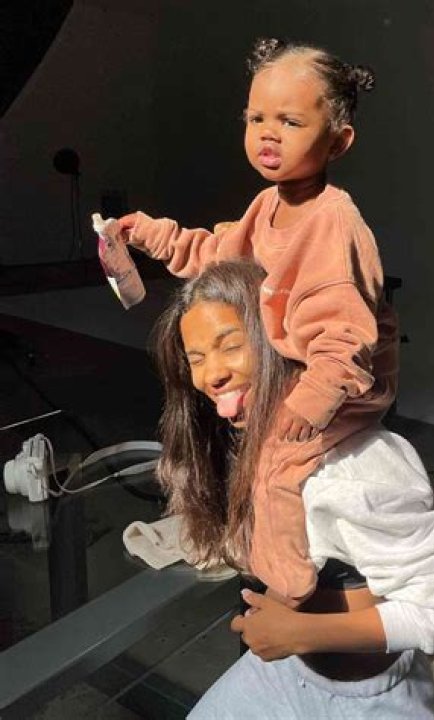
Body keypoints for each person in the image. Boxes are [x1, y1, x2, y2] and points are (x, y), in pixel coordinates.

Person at [116, 37, 398, 602]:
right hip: (289, 367)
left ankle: (287, 582)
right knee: (227, 436)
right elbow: (214, 255)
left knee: (278, 462)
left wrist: (311, 401)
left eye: (290, 122)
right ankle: (241, 534)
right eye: (256, 118)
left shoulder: (333, 223)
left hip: (339, 383)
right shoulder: (266, 207)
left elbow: (345, 335)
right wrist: (148, 233)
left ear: (338, 141)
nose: (268, 134)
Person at [152, 260, 434, 718]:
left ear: (282, 342)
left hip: (369, 699)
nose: (211, 375)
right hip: (289, 674)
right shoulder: (261, 441)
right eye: (197, 358)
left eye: (231, 346)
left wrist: (299, 633)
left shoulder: (357, 465)